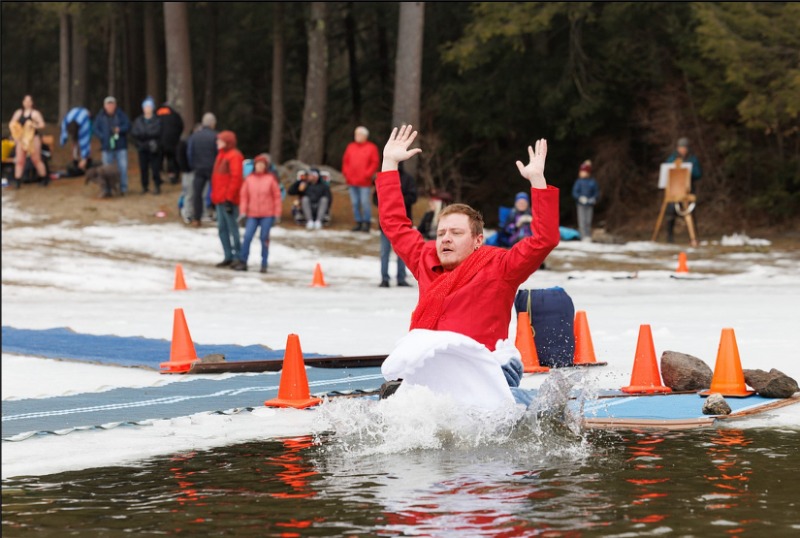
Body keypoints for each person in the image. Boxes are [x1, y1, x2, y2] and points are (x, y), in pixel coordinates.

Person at [377, 124, 560, 353]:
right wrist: (389, 164)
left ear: (478, 241)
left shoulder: (501, 267)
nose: (446, 239)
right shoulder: (425, 259)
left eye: (456, 233)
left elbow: (545, 239)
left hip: (480, 368)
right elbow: (394, 224)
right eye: (441, 233)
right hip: (429, 364)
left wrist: (537, 181)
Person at [233, 153, 282, 273]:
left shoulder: (270, 179)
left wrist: (277, 213)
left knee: (264, 238)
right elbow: (244, 197)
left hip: (267, 214)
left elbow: (276, 197)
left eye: (262, 165)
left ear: (265, 166)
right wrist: (243, 212)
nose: (259, 167)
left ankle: (264, 263)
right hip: (252, 214)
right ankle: (243, 261)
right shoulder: (249, 179)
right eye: (258, 164)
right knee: (247, 237)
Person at [374, 162, 417, 287]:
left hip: (403, 222)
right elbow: (376, 198)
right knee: (385, 251)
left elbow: (413, 197)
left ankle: (401, 278)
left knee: (403, 252)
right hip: (386, 222)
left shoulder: (408, 179)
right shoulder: (383, 179)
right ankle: (384, 278)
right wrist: (387, 200)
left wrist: (397, 200)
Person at [210, 130, 244, 267]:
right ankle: (228, 255)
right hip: (219, 199)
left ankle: (237, 256)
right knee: (222, 229)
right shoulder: (221, 155)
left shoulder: (234, 156)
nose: (217, 142)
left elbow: (236, 179)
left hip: (229, 200)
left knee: (232, 228)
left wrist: (229, 198)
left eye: (220, 140)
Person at [342, 125, 380, 232]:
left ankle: (366, 222)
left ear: (365, 136)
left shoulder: (371, 147)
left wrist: (367, 174)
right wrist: (346, 173)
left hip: (364, 182)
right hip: (351, 181)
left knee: (364, 202)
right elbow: (345, 161)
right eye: (356, 134)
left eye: (359, 134)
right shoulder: (351, 146)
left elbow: (374, 162)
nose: (356, 136)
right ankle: (358, 221)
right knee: (355, 203)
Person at [665, 137, 702, 244]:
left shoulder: (692, 159)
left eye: (684, 148)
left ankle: (694, 236)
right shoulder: (672, 158)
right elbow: (667, 170)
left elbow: (698, 174)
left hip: (688, 190)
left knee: (690, 212)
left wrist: (688, 171)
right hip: (674, 191)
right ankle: (669, 236)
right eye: (681, 147)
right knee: (670, 211)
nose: (683, 150)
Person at [93, 96, 131, 194]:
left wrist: (120, 129)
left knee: (122, 168)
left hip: (120, 146)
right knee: (106, 170)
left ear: (115, 105)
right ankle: (107, 189)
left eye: (112, 104)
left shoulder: (121, 115)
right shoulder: (100, 116)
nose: (110, 106)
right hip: (106, 147)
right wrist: (102, 136)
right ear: (104, 106)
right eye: (108, 104)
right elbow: (95, 128)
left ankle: (123, 188)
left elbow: (128, 125)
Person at [8, 95, 48, 188]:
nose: (27, 103)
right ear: (23, 102)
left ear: (32, 103)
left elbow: (42, 124)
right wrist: (15, 132)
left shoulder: (35, 113)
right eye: (25, 101)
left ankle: (44, 178)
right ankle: (17, 180)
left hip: (33, 139)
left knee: (36, 159)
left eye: (29, 101)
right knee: (19, 160)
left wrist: (34, 125)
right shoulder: (18, 112)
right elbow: (12, 123)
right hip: (22, 139)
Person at [187, 112, 218, 227]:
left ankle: (197, 218)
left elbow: (190, 152)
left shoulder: (195, 136)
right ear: (212, 123)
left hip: (198, 168)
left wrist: (193, 165)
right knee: (216, 191)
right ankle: (216, 214)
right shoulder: (215, 136)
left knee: (197, 194)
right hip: (213, 169)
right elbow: (218, 153)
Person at [131, 96, 163, 195]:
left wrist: (147, 136)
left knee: (155, 168)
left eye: (149, 107)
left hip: (154, 147)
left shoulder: (157, 120)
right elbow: (135, 133)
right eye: (145, 107)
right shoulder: (138, 120)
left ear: (152, 108)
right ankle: (144, 186)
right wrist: (140, 141)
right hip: (142, 147)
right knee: (143, 168)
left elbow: (158, 132)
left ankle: (157, 185)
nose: (147, 109)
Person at [59, 106, 93, 178]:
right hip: (73, 123)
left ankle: (87, 162)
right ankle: (75, 160)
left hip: (82, 123)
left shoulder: (85, 124)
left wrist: (84, 159)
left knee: (83, 143)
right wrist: (63, 141)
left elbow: (85, 142)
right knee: (75, 143)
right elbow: (63, 132)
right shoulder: (66, 122)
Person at [156, 102, 184, 184]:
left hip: (159, 141)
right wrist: (176, 136)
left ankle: (158, 177)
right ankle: (173, 176)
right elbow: (180, 126)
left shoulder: (156, 114)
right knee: (171, 159)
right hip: (172, 141)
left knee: (158, 160)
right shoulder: (175, 115)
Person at [571, 159, 599, 242]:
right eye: (581, 172)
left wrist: (593, 199)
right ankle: (583, 236)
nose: (582, 173)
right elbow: (575, 192)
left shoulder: (592, 182)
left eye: (584, 172)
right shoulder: (579, 182)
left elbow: (596, 192)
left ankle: (588, 235)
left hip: (589, 204)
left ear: (588, 173)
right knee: (582, 221)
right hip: (581, 204)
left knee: (588, 221)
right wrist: (580, 198)